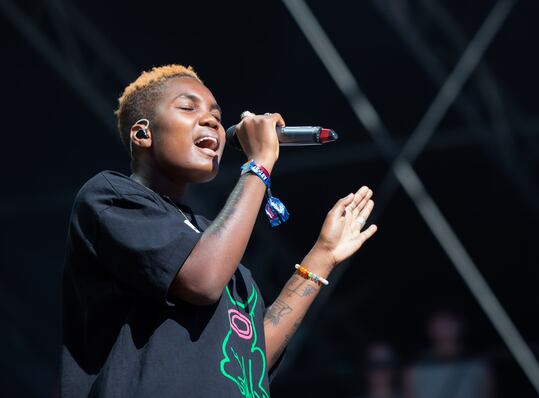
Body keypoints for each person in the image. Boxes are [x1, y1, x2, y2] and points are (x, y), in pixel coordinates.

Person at [60, 64, 378, 397]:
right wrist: (259, 164)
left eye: (216, 113)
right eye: (188, 107)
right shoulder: (111, 197)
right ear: (143, 134)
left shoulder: (215, 244)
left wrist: (321, 257)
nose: (212, 119)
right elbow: (202, 281)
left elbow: (250, 358)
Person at [402, 308, 494, 398]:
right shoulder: (416, 366)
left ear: (460, 325)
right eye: (437, 323)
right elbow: (408, 394)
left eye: (448, 322)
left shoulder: (477, 364)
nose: (443, 328)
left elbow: (487, 393)